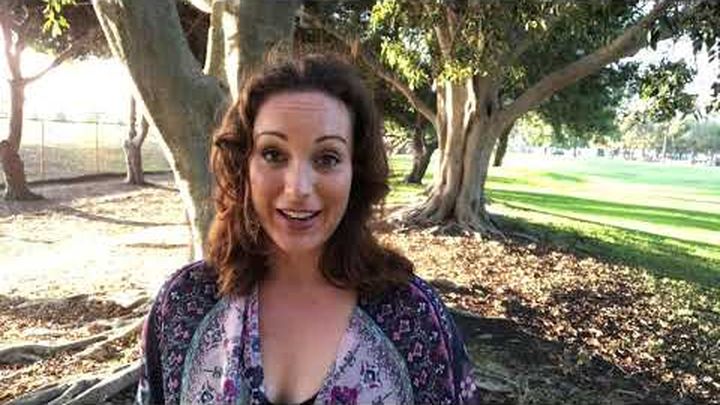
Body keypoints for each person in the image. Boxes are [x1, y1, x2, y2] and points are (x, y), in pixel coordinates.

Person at [136, 55, 480, 405]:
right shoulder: (183, 304)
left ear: (356, 172)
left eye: (327, 158)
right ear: (244, 166)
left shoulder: (415, 319)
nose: (298, 188)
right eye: (273, 154)